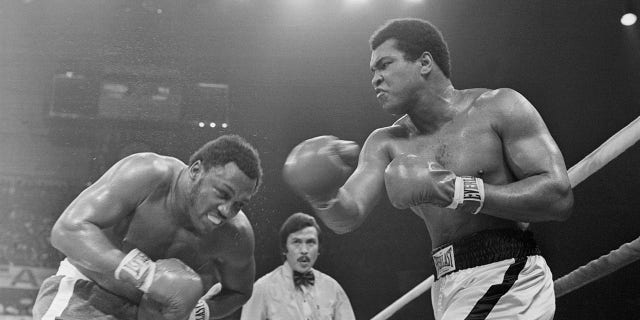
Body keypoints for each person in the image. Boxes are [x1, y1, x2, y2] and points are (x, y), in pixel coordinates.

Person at [283, 18, 574, 320]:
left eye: (384, 65)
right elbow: (348, 215)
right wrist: (322, 194)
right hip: (448, 282)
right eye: (373, 71)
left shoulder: (500, 107)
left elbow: (558, 196)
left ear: (424, 63)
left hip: (507, 271)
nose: (375, 79)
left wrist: (456, 190)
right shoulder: (386, 143)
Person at [32, 134, 263, 320]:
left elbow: (240, 291)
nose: (227, 210)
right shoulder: (148, 174)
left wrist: (200, 311)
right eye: (222, 194)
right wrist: (146, 275)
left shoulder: (236, 234)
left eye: (238, 204)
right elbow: (67, 230)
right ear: (195, 170)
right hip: (88, 293)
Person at [240, 212, 356, 320]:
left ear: (319, 249)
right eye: (297, 242)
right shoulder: (262, 289)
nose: (304, 250)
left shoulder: (333, 289)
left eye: (310, 242)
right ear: (285, 248)